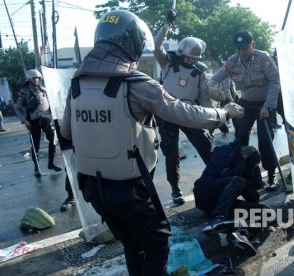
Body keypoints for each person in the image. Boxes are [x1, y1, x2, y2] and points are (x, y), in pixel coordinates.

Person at [59, 9, 244, 276]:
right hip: (129, 191)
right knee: (157, 246)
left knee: (133, 245)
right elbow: (183, 112)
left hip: (93, 189)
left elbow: (66, 133)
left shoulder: (77, 83)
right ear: (132, 43)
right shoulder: (135, 82)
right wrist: (224, 113)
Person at [153, 11, 226, 205]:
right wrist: (167, 24)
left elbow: (204, 100)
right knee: (171, 154)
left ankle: (218, 181)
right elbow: (156, 45)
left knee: (205, 147)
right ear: (181, 54)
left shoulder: (199, 71)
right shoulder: (167, 63)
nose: (192, 61)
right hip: (168, 112)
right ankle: (176, 190)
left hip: (190, 114)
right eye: (189, 58)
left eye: (195, 58)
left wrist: (219, 119)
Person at [208, 30, 280, 191]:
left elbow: (275, 81)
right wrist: (211, 87)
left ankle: (271, 174)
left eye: (245, 48)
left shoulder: (263, 58)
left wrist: (268, 105)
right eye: (239, 48)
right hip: (246, 103)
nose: (241, 52)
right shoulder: (232, 61)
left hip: (264, 103)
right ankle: (243, 173)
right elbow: (215, 77)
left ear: (253, 45)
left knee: (265, 140)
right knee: (240, 139)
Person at [194, 142, 266, 257]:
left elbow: (254, 195)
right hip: (206, 196)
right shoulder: (223, 151)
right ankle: (217, 218)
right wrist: (242, 159)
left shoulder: (245, 170)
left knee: (266, 212)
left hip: (225, 202)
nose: (246, 171)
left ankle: (241, 235)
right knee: (238, 180)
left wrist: (255, 166)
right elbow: (226, 174)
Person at [14, 69, 62, 177]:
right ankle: (36, 167)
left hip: (45, 118)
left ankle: (51, 163)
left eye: (37, 78)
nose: (36, 80)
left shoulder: (43, 90)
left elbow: (50, 103)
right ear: (29, 79)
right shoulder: (24, 92)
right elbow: (17, 108)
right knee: (35, 145)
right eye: (34, 78)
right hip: (32, 120)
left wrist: (54, 116)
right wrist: (23, 120)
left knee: (53, 139)